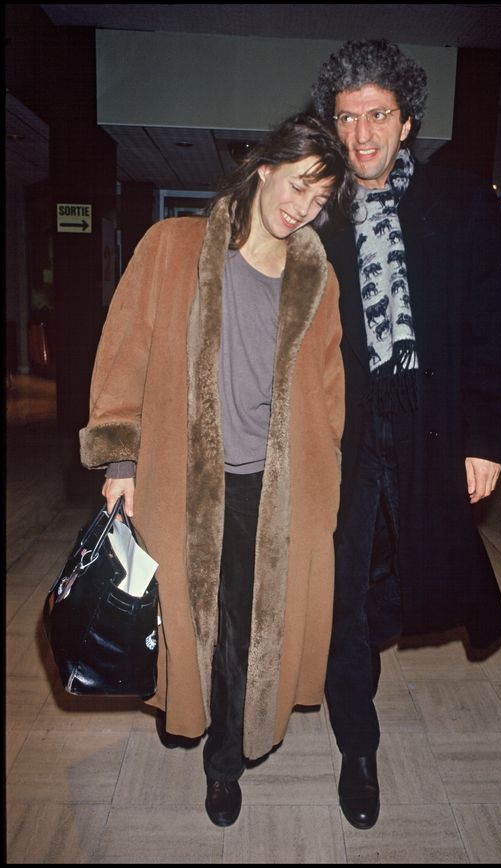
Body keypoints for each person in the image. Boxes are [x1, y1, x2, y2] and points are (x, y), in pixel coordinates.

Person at [79, 113, 353, 827]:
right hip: (184, 478)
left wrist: (327, 480)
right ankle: (194, 716)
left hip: (277, 489)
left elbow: (329, 390)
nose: (304, 206)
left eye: (320, 197)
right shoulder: (173, 248)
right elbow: (126, 351)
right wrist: (120, 457)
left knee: (247, 630)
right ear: (264, 167)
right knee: (181, 615)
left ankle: (223, 763)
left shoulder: (316, 278)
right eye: (298, 184)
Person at [311, 40, 501, 829]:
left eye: (377, 115)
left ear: (406, 123)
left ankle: (374, 623)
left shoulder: (460, 203)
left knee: (413, 564)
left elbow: (490, 327)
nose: (361, 134)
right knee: (343, 583)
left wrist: (487, 438)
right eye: (347, 117)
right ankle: (357, 745)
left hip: (431, 419)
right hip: (347, 427)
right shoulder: (317, 212)